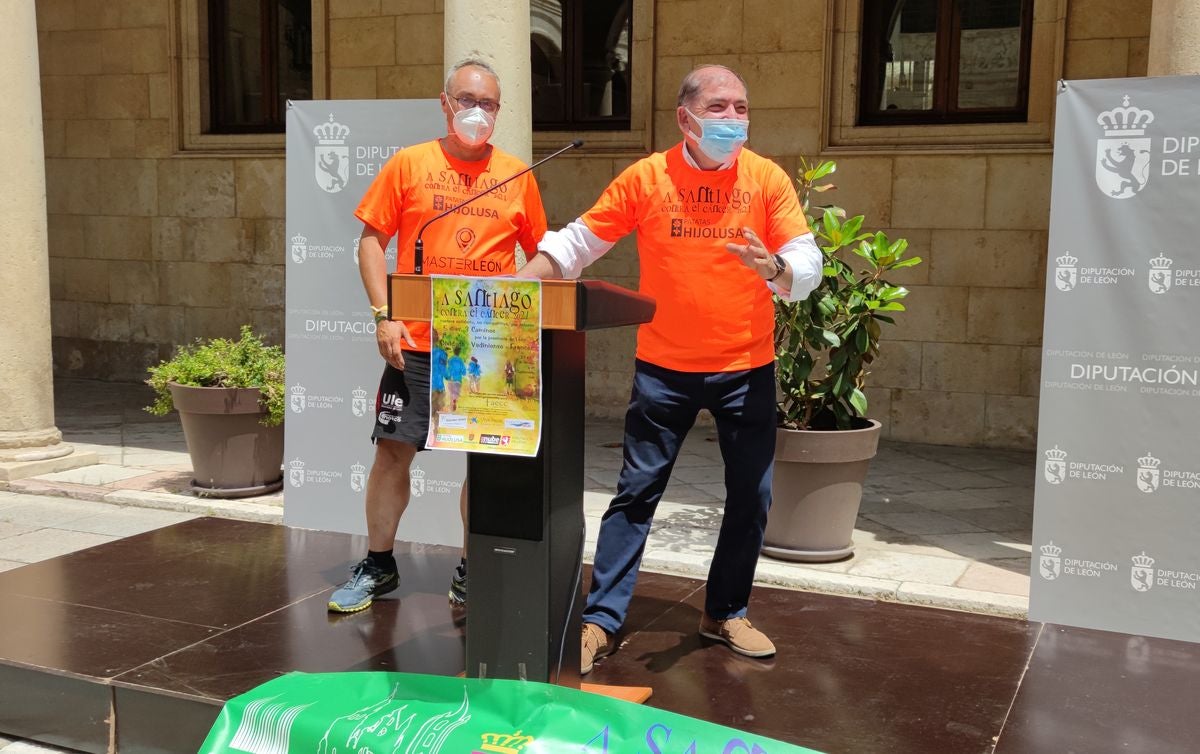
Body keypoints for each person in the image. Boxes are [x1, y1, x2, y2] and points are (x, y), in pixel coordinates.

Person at [519, 65, 823, 672]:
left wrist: (777, 270)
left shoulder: (765, 179)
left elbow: (804, 262)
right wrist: (515, 288)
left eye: (741, 107)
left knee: (752, 497)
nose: (734, 119)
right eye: (720, 108)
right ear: (686, 118)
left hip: (746, 367)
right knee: (635, 493)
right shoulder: (648, 177)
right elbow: (579, 241)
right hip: (665, 368)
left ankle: (725, 612)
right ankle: (600, 621)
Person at [329, 58, 548, 613]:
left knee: (486, 463)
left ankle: (474, 571)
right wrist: (384, 314)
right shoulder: (410, 164)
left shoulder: (518, 175)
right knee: (393, 453)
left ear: (500, 110)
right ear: (445, 102)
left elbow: (546, 255)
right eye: (467, 100)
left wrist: (511, 306)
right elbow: (371, 242)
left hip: (483, 345)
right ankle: (378, 565)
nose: (478, 112)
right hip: (418, 343)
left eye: (489, 103)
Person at [445, 346, 466, 411]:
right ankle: (454, 401)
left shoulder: (450, 360)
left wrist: (447, 376)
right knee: (456, 393)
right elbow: (464, 372)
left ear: (454, 352)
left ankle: (451, 406)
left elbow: (448, 369)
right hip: (458, 380)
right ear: (459, 353)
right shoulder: (460, 361)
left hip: (451, 379)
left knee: (451, 393)